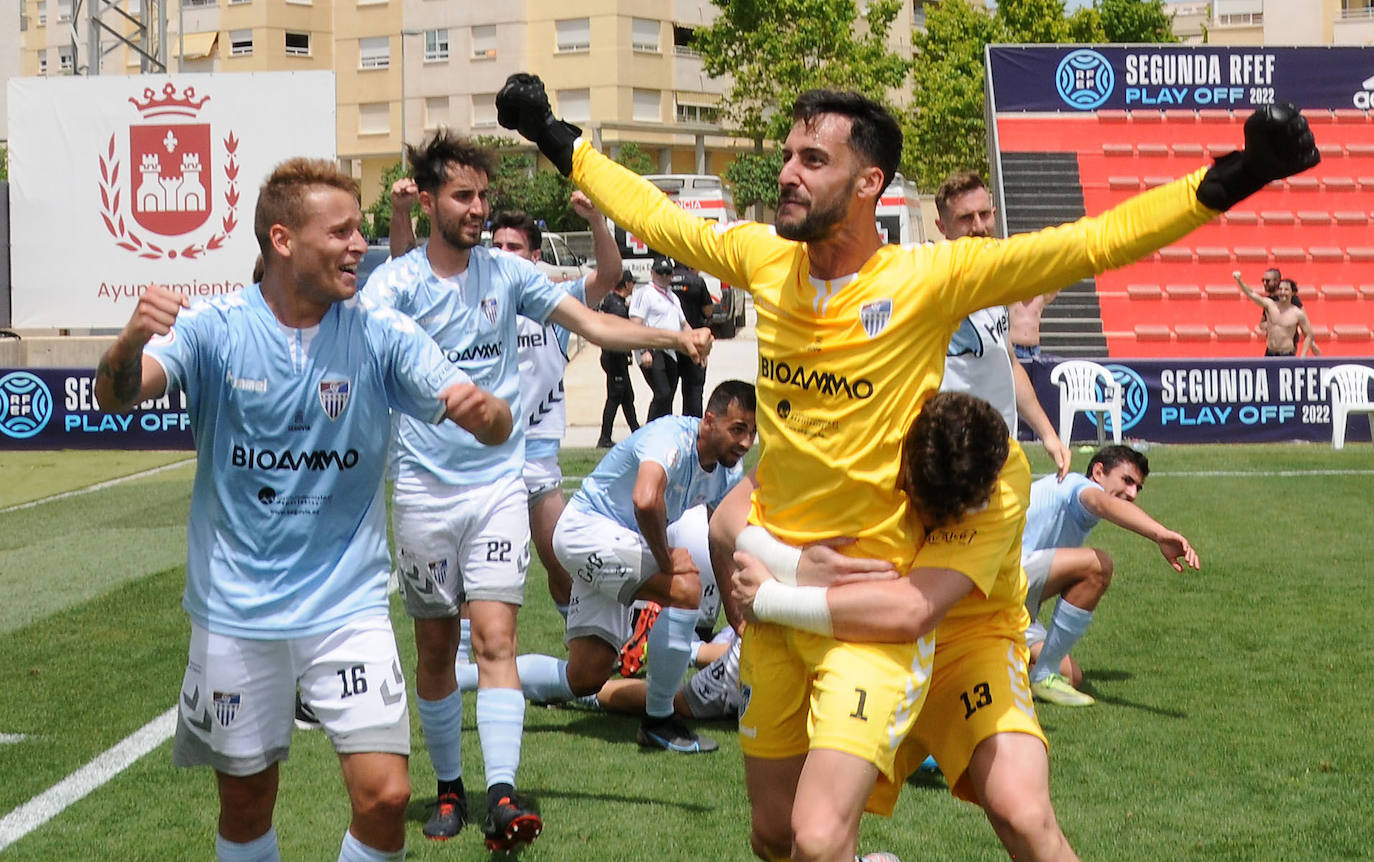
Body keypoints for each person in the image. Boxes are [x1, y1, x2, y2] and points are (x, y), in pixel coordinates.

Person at [494, 74, 1317, 861]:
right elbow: (656, 215)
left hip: (866, 594)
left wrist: (1240, 173)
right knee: (774, 839)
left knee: (827, 836)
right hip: (774, 598)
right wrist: (555, 139)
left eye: (812, 161)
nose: (786, 173)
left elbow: (1091, 242)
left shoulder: (929, 278)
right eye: (788, 155)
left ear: (869, 184)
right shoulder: (764, 259)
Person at [92, 157, 512, 862]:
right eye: (342, 231)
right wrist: (130, 341)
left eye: (363, 230)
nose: (360, 245)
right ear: (282, 239)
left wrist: (487, 413)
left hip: (347, 608)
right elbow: (119, 394)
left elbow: (489, 417)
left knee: (383, 797)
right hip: (237, 610)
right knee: (247, 803)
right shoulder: (215, 327)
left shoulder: (379, 330)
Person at [361, 130, 711, 849]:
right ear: (428, 201)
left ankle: (501, 793)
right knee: (433, 651)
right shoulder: (393, 286)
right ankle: (449, 790)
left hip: (497, 487)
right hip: (425, 494)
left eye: (485, 195)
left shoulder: (508, 275)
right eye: (464, 195)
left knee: (496, 639)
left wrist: (671, 340)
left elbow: (590, 320)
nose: (478, 208)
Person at [506, 381, 756, 753]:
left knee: (585, 676)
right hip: (586, 533)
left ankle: (471, 678)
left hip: (613, 543)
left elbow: (720, 546)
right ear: (709, 422)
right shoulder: (672, 438)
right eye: (738, 429)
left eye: (753, 432)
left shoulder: (726, 473)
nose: (746, 442)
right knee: (685, 587)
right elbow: (645, 499)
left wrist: (737, 619)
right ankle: (658, 721)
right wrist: (667, 562)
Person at [492, 200, 621, 615]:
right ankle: (466, 666)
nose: (503, 253)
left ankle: (578, 653)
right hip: (484, 456)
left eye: (514, 247)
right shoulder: (474, 304)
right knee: (478, 577)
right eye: (496, 245)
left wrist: (597, 220)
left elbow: (609, 276)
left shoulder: (554, 301)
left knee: (562, 564)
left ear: (534, 257)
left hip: (538, 455)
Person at [1020, 444, 1200, 707]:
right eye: (1127, 481)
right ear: (1099, 471)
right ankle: (1043, 674)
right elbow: (1103, 503)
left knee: (1071, 676)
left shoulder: (1078, 505)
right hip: (998, 583)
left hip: (1015, 605)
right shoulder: (1074, 485)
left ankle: (997, 665)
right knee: (1098, 566)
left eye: (1138, 487)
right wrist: (1160, 534)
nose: (1132, 493)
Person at [934, 170, 1070, 480]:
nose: (979, 227)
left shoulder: (996, 282)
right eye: (965, 218)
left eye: (984, 214)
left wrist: (1048, 434)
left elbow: (1008, 361)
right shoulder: (930, 284)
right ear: (942, 226)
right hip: (949, 460)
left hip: (1000, 452)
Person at [632, 255, 692, 420]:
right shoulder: (644, 293)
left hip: (671, 351)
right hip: (653, 349)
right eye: (660, 272)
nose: (664, 276)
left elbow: (684, 324)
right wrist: (643, 350)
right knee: (662, 393)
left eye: (667, 273)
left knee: (669, 395)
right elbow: (636, 324)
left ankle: (662, 431)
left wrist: (696, 345)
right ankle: (649, 433)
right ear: (652, 273)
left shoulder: (673, 297)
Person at [598, 270, 641, 447]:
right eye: (633, 283)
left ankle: (637, 433)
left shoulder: (611, 301)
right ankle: (604, 438)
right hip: (615, 358)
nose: (634, 286)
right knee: (615, 397)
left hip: (613, 357)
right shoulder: (618, 308)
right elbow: (619, 334)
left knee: (627, 397)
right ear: (627, 284)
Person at [1233, 270, 1318, 357]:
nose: (1282, 292)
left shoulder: (1298, 313)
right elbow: (1251, 293)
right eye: (1280, 289)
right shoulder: (1270, 305)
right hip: (1270, 353)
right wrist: (1239, 281)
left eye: (1286, 290)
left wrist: (1303, 356)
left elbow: (1308, 334)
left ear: (1292, 293)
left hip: (1287, 355)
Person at [670, 261, 715, 417]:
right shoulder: (697, 281)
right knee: (694, 392)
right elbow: (708, 310)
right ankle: (692, 429)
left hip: (670, 343)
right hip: (695, 342)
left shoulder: (666, 279)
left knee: (666, 394)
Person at [1010, 293, 1057, 360]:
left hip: (1034, 349)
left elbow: (1056, 288)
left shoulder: (1041, 297)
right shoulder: (1011, 299)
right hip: (1014, 348)